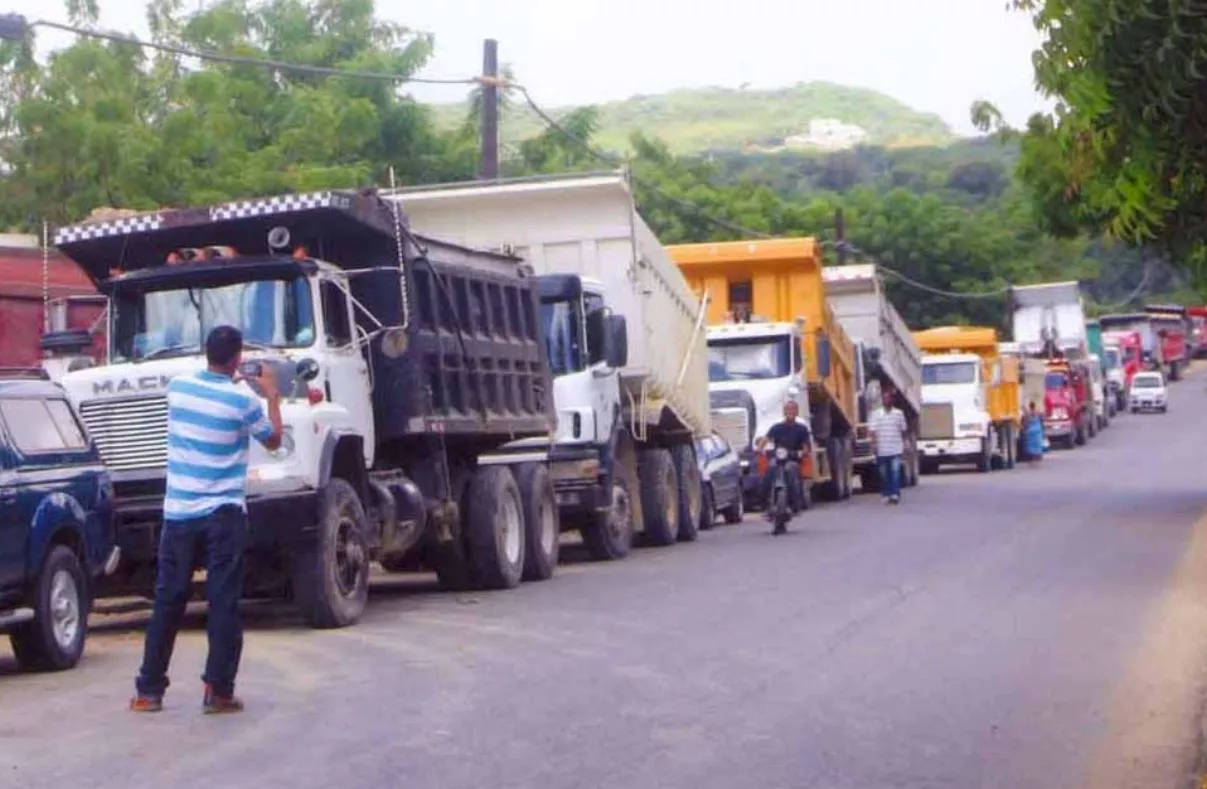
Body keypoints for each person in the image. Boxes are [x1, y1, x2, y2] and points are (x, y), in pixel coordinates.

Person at [130, 325, 282, 715]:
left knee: (168, 600)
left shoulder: (178, 388)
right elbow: (274, 440)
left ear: (205, 353)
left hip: (178, 514)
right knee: (223, 602)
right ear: (238, 359)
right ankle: (218, 692)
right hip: (223, 515)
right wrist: (273, 396)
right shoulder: (243, 401)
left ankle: (149, 691)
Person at [756, 399, 812, 534]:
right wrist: (760, 448)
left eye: (792, 410)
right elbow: (765, 440)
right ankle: (764, 502)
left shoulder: (802, 429)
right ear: (783, 412)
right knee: (770, 469)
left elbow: (806, 447)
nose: (790, 412)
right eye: (787, 410)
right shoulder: (776, 428)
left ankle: (795, 504)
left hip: (792, 459)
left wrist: (802, 452)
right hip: (778, 458)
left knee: (791, 470)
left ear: (796, 412)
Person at [868, 387, 909, 505]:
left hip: (895, 449)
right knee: (884, 474)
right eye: (884, 398)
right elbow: (872, 431)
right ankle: (886, 493)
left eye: (889, 398)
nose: (887, 400)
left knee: (895, 472)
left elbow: (903, 430)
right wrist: (873, 445)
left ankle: (895, 494)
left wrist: (905, 445)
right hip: (882, 449)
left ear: (892, 400)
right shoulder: (876, 414)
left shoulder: (899, 414)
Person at [1023, 401, 1045, 467]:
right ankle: (1038, 456)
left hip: (1030, 431)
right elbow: (1042, 420)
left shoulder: (1028, 414)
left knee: (1030, 445)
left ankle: (1031, 458)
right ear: (1034, 406)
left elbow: (1025, 423)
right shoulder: (1037, 413)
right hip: (1037, 431)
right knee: (1037, 444)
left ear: (1030, 407)